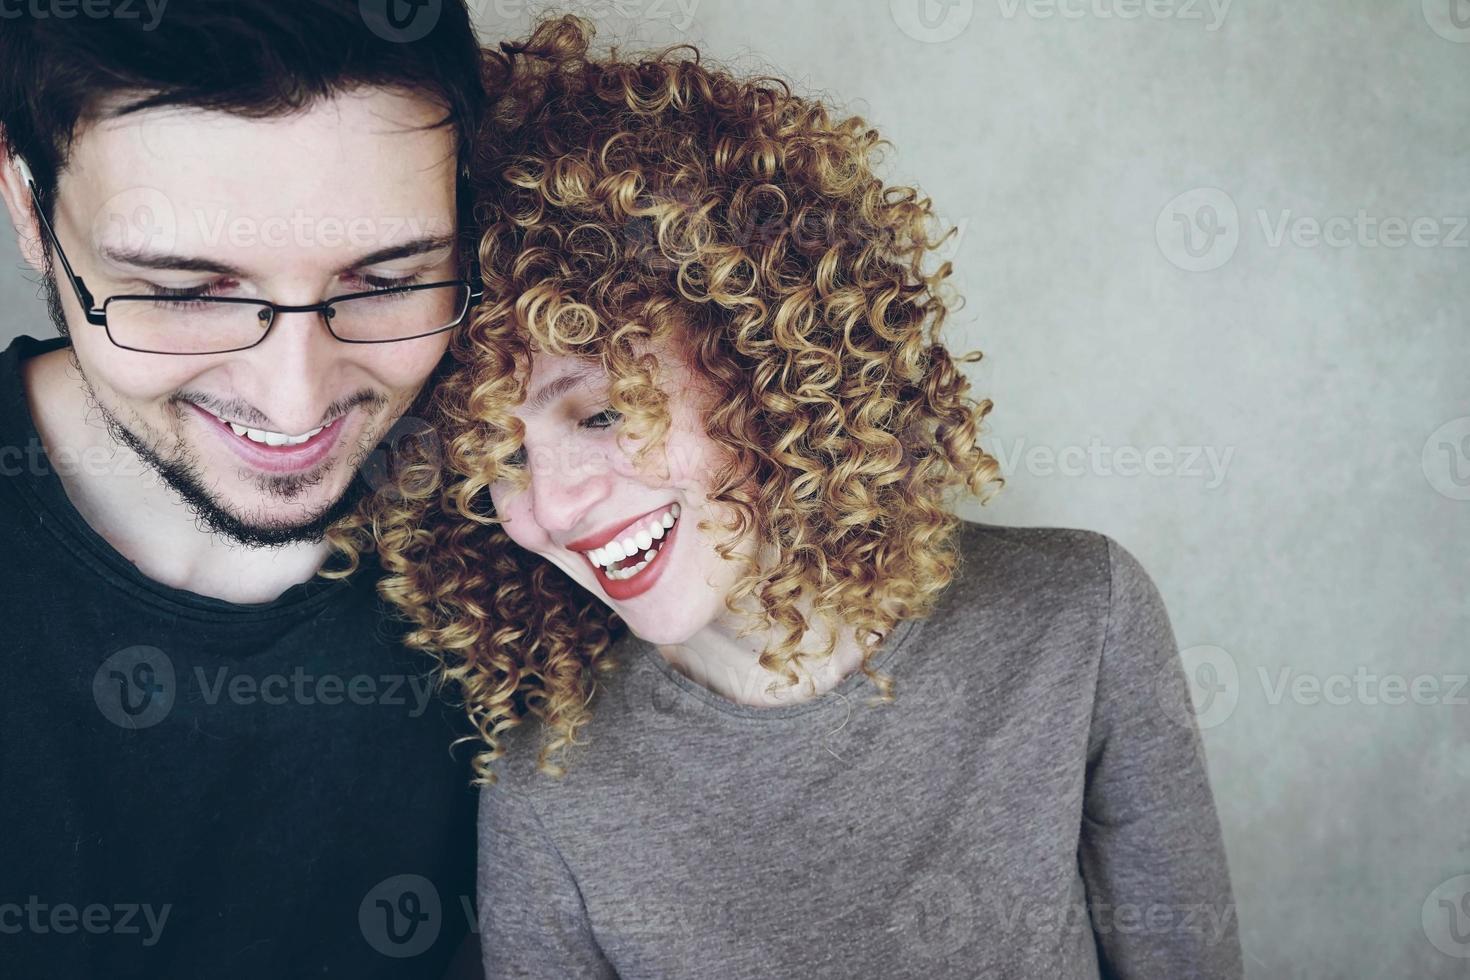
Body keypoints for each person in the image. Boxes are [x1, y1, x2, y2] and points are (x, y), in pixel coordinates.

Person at [339, 16, 1245, 979]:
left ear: (763, 353)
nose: (553, 511)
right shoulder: (549, 792)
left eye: (601, 415)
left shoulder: (1077, 619)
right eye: (499, 458)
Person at [0, 2, 488, 975]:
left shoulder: (552, 516)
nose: (296, 398)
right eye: (184, 292)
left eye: (388, 279)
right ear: (26, 205)